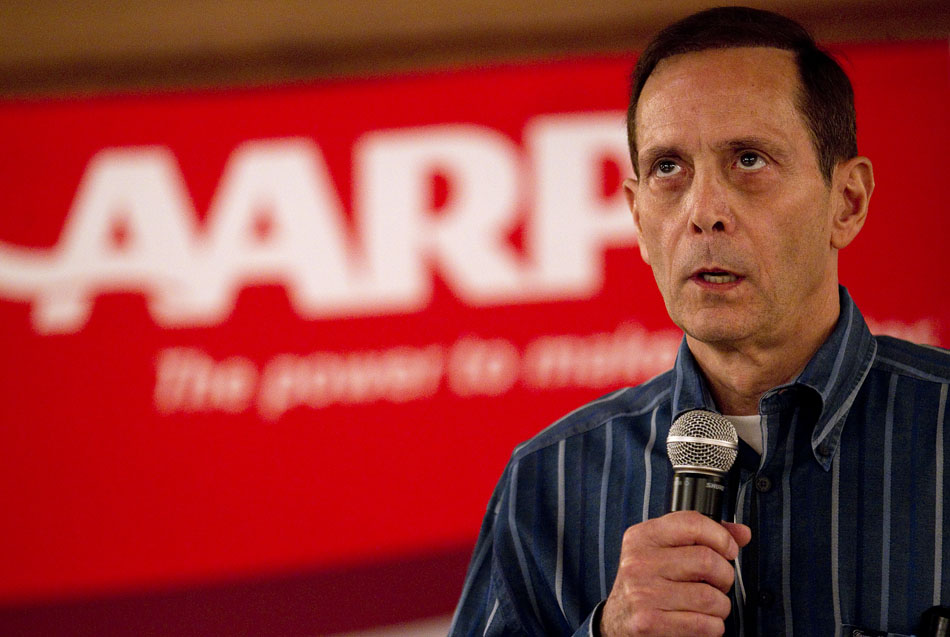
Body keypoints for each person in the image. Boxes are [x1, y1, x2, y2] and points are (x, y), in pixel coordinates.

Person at [448, 6, 950, 637]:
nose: (703, 211)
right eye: (668, 169)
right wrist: (607, 632)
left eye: (749, 161)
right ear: (637, 218)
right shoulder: (548, 482)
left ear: (846, 203)